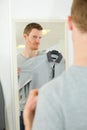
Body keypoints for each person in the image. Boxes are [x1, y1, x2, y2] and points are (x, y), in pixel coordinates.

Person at [23, 0, 87, 130]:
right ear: (25, 37)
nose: (38, 41)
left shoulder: (51, 97)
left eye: (40, 37)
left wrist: (29, 125)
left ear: (69, 23)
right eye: (35, 37)